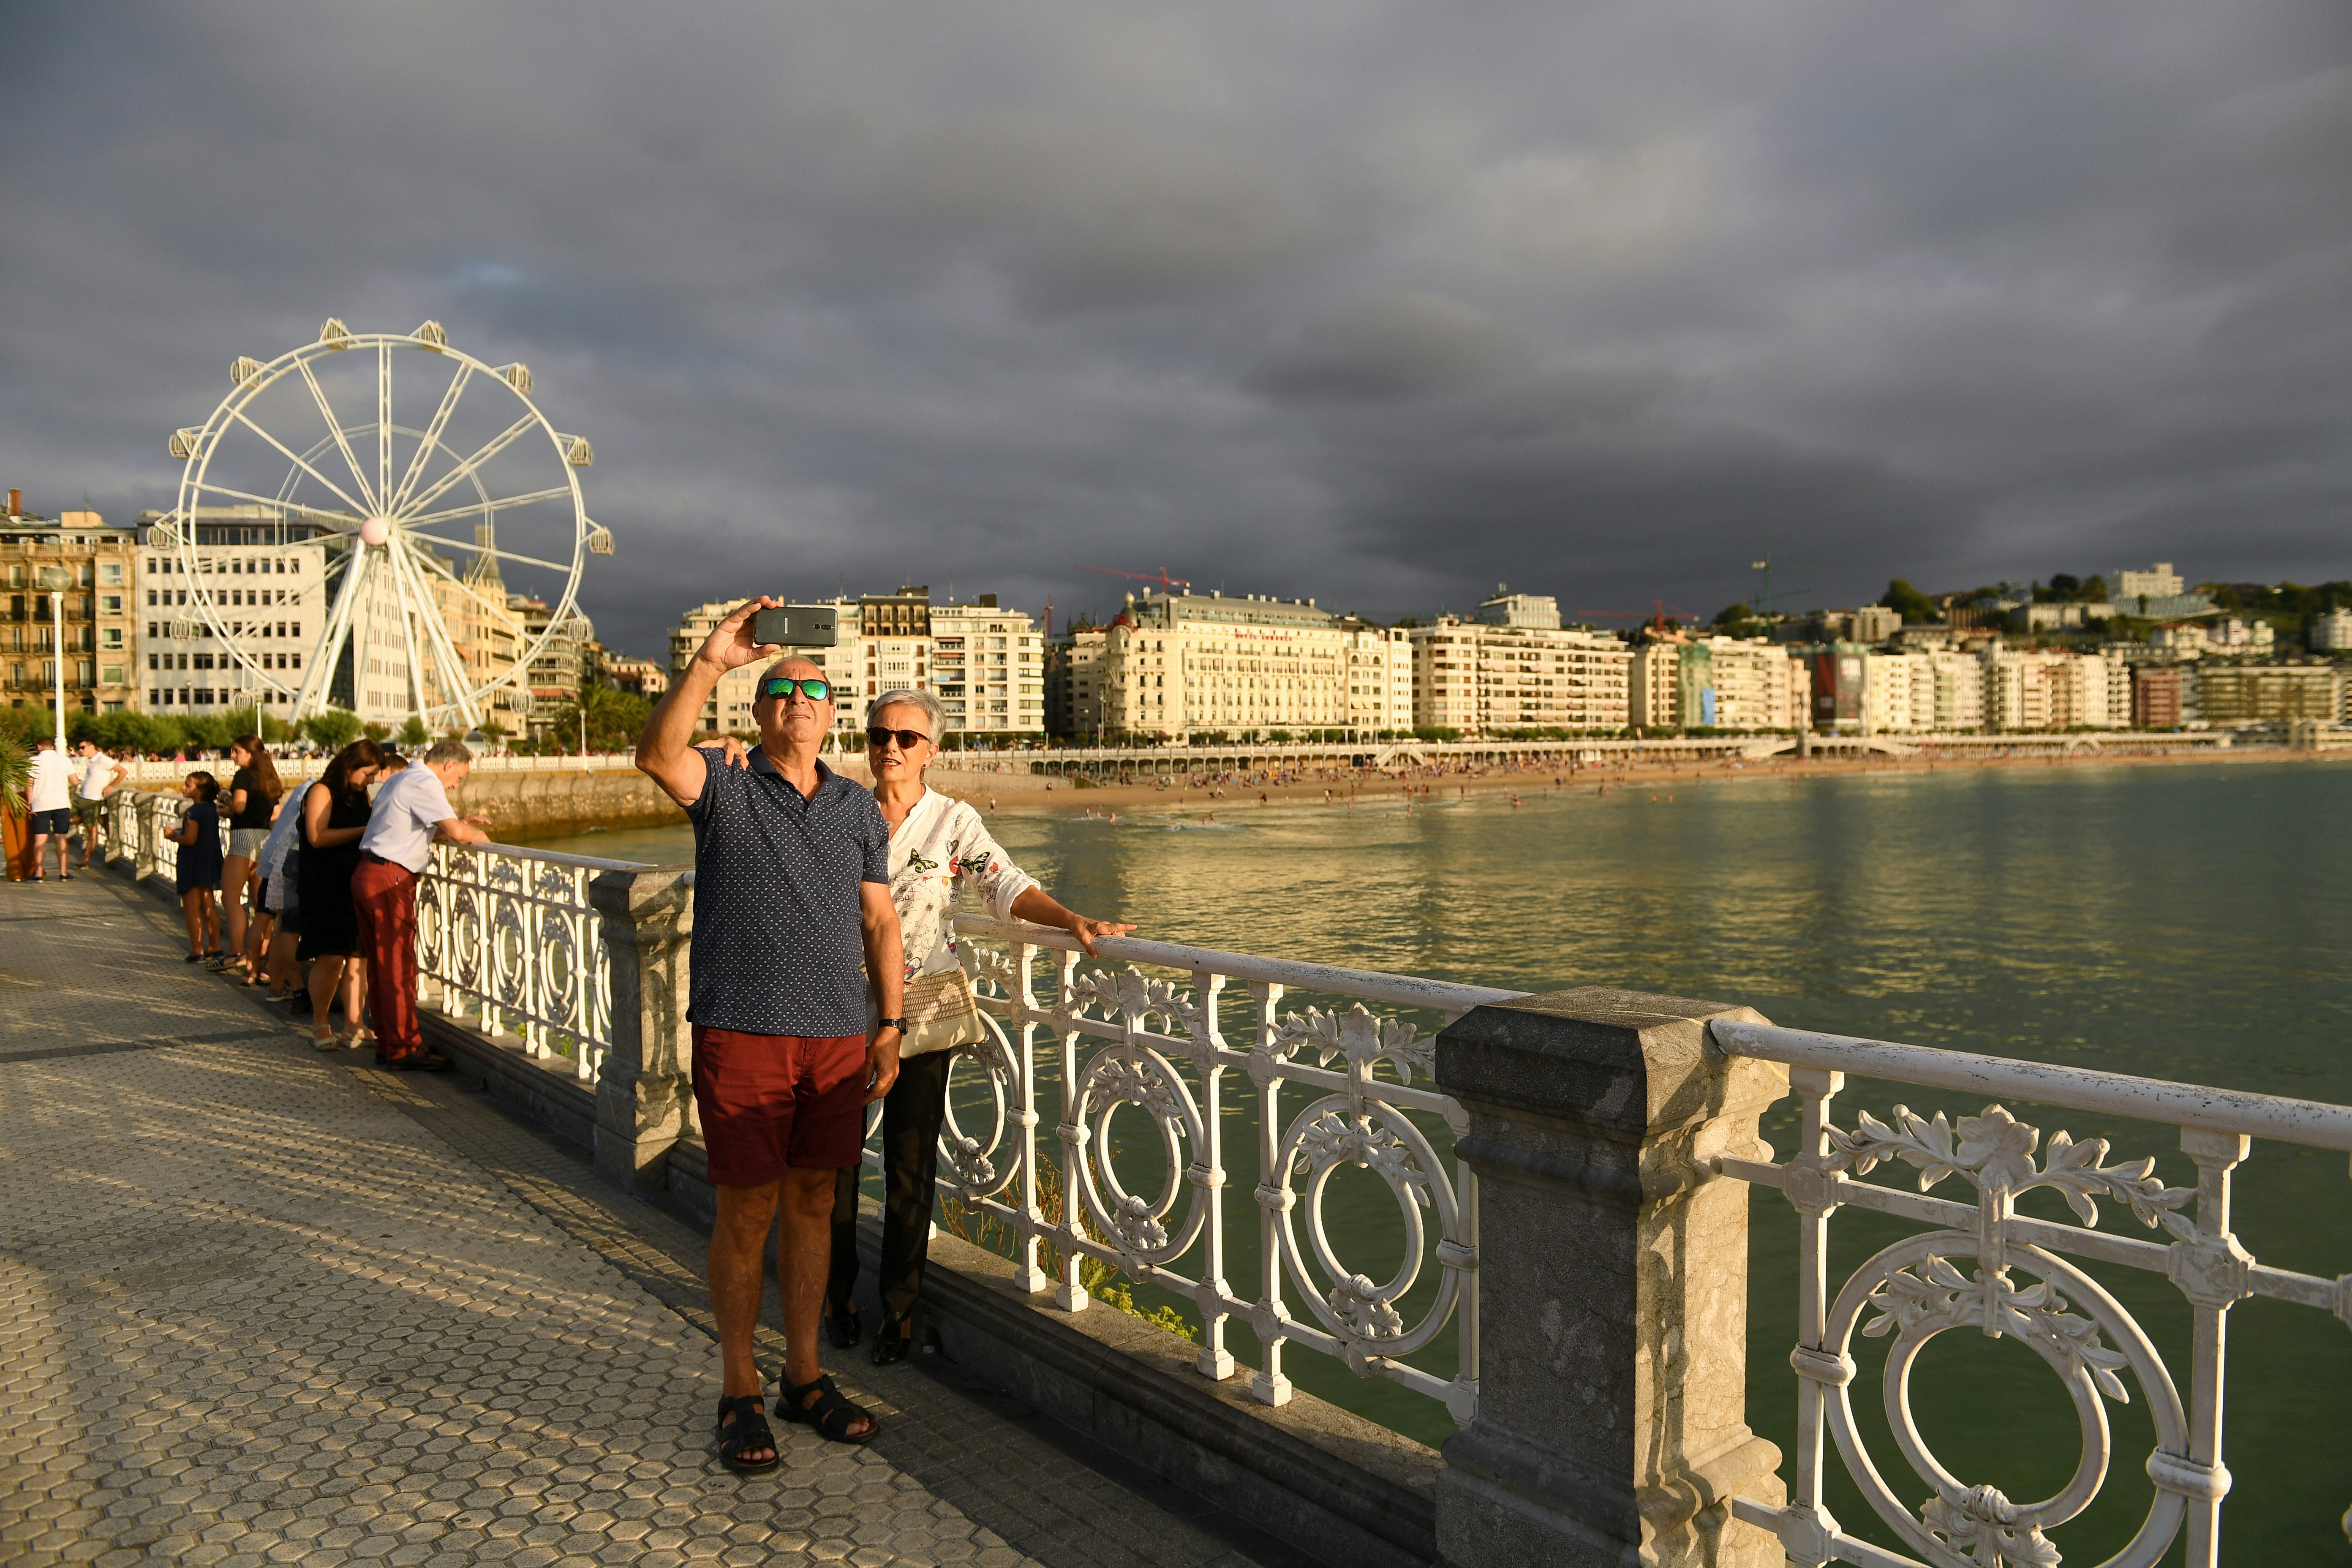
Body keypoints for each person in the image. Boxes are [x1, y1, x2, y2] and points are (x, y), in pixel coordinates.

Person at [635, 595, 905, 1475]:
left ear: (833, 714)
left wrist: (890, 1023)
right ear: (758, 711)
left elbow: (879, 922)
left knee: (815, 1201)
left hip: (837, 1035)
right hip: (742, 1029)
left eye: (815, 689)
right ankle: (739, 1386)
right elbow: (656, 755)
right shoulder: (726, 785)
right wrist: (713, 659)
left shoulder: (859, 808)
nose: (799, 698)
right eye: (783, 688)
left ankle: (804, 1376)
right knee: (747, 1207)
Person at [820, 690, 1130, 1362]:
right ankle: (836, 1297)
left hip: (922, 1011)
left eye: (906, 738)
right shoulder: (841, 811)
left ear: (931, 751)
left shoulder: (952, 821)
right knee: (834, 1166)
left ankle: (898, 1310)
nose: (890, 747)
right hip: (840, 1009)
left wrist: (1073, 920)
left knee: (910, 1166)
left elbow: (1004, 885)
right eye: (879, 736)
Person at [353, 740, 491, 1072]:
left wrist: (457, 824)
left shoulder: (400, 779)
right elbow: (457, 833)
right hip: (389, 881)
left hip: (369, 873)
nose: (456, 785)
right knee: (398, 968)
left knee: (380, 967)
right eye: (459, 777)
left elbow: (410, 830)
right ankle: (403, 1048)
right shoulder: (424, 783)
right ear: (448, 765)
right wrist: (478, 837)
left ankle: (388, 1043)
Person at [299, 740, 386, 1051]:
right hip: (324, 884)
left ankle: (354, 1023)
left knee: (359, 957)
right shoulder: (322, 791)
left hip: (354, 881)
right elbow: (317, 836)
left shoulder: (360, 795)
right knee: (331, 956)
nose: (371, 780)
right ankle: (320, 1022)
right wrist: (364, 830)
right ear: (351, 766)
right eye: (368, 773)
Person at [218, 736, 283, 974]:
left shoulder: (243, 776)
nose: (233, 756)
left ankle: (236, 953)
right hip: (265, 839)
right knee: (261, 904)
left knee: (230, 898)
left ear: (250, 754)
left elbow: (240, 805)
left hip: (244, 840)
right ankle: (262, 957)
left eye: (237, 751)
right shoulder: (268, 777)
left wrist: (225, 797)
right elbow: (276, 813)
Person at [174, 772, 226, 961]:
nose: (183, 787)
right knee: (209, 904)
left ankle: (197, 951)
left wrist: (173, 836)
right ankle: (215, 947)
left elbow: (190, 839)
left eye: (188, 785)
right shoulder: (212, 809)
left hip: (192, 861)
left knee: (192, 907)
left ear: (200, 791)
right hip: (209, 860)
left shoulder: (193, 812)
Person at [25, 736, 74, 882]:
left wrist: (29, 803)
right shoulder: (65, 760)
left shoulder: (34, 761)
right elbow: (74, 781)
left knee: (40, 838)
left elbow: (29, 784)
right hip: (61, 803)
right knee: (61, 837)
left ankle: (39, 873)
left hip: (41, 804)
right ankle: (64, 873)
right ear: (53, 747)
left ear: (39, 747)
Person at [72, 739, 128, 870]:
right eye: (80, 748)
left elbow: (123, 772)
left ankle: (85, 861)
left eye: (83, 748)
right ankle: (100, 819)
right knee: (71, 820)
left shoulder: (103, 760)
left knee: (91, 830)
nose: (80, 750)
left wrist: (111, 786)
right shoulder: (91, 761)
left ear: (92, 747)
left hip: (93, 800)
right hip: (83, 797)